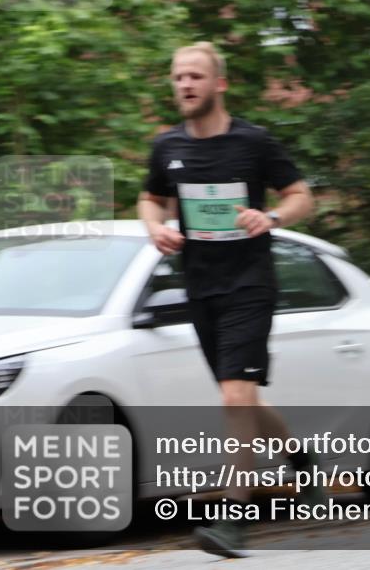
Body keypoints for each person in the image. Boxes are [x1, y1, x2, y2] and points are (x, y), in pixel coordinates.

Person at [138, 42, 321, 557]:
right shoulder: (167, 147)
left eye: (195, 76)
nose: (185, 85)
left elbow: (302, 195)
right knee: (243, 396)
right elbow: (150, 197)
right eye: (178, 77)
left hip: (250, 283)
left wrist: (273, 217)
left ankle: (234, 519)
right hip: (201, 287)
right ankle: (301, 462)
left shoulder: (253, 142)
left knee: (234, 397)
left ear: (219, 84)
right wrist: (155, 227)